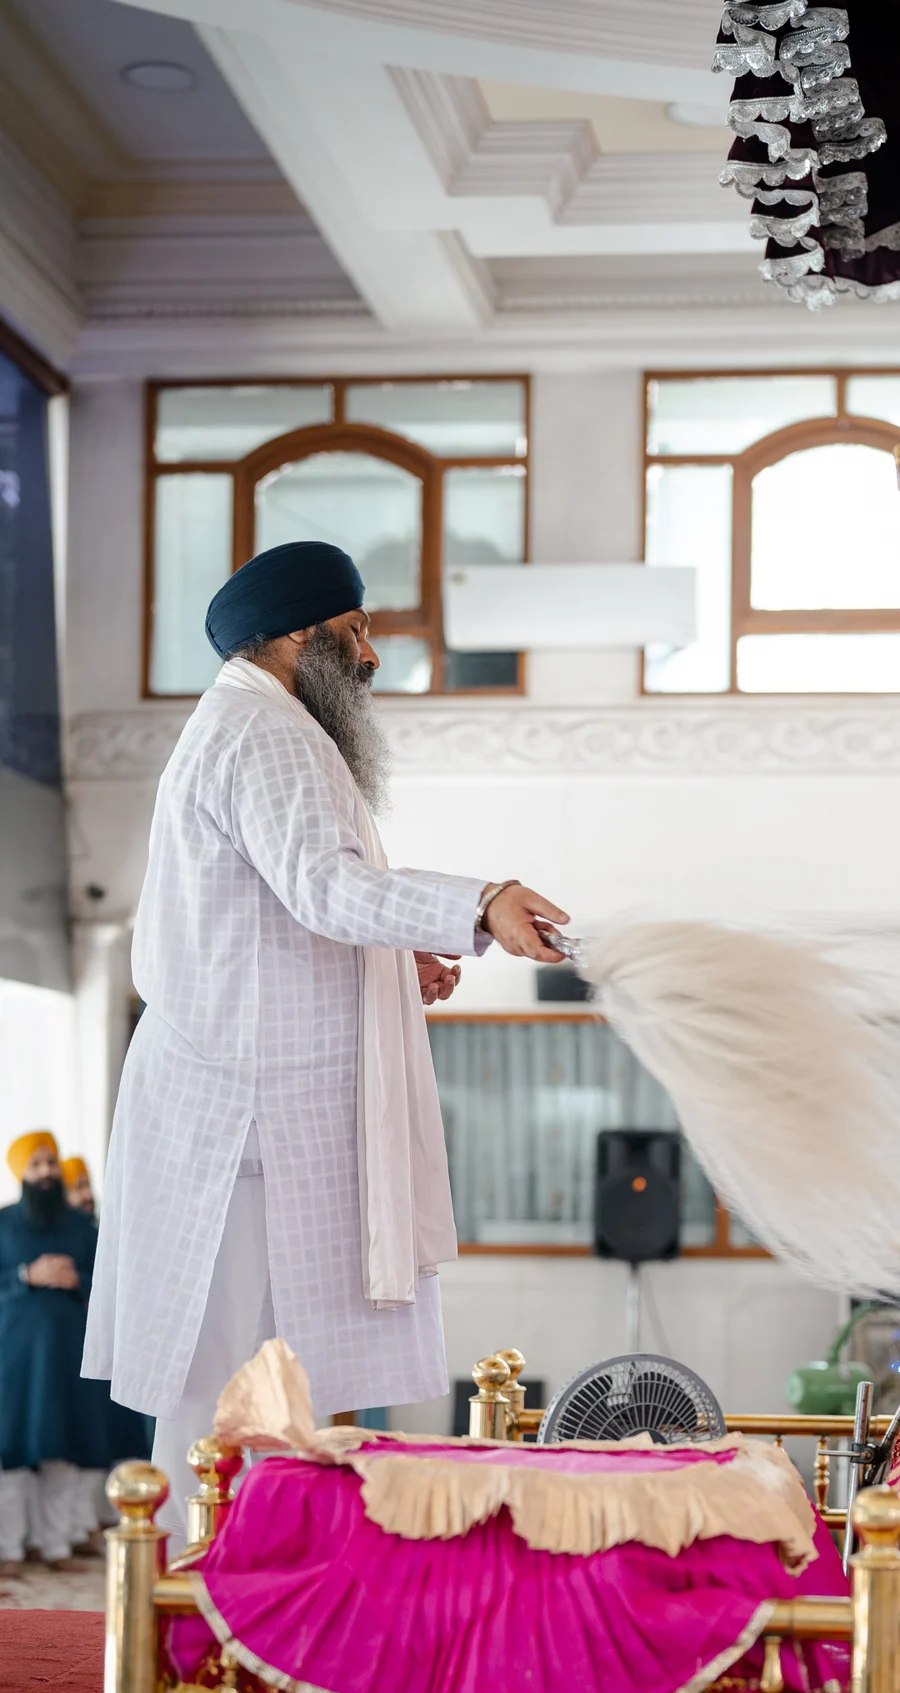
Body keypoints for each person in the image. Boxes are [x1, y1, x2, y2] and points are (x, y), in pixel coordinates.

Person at [84, 541, 570, 1533]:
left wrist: (398, 962)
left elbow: (286, 917)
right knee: (226, 1394)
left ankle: (232, 1609)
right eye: (356, 634)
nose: (372, 660)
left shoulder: (255, 724)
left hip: (250, 1119)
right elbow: (324, 888)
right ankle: (192, 1621)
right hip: (242, 1129)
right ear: (299, 637)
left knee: (266, 1396)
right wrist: (478, 903)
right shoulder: (265, 734)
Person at [0, 1133, 147, 1573]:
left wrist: (75, 1280)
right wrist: (27, 1274)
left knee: (63, 1451)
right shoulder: (4, 1223)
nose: (45, 1172)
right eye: (36, 1165)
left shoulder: (80, 1226)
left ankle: (57, 1545)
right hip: (16, 1361)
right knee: (13, 1454)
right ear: (21, 1173)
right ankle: (9, 1549)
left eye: (51, 1163)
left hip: (70, 1358)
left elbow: (109, 1280)